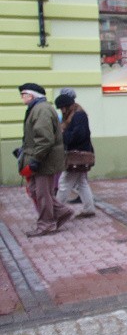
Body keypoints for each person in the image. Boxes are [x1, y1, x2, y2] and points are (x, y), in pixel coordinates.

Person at [17, 83, 73, 237]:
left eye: (24, 94)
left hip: (44, 160)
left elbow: (44, 139)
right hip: (43, 158)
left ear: (32, 95)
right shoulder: (38, 109)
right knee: (37, 192)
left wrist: (36, 159)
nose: (22, 97)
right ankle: (62, 212)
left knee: (42, 193)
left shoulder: (41, 110)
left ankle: (46, 224)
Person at [54, 93, 96, 218]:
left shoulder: (78, 116)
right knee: (82, 182)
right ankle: (89, 209)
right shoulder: (77, 115)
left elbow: (78, 136)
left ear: (68, 106)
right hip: (79, 155)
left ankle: (56, 212)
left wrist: (63, 134)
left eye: (62, 108)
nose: (61, 110)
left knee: (64, 183)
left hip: (77, 156)